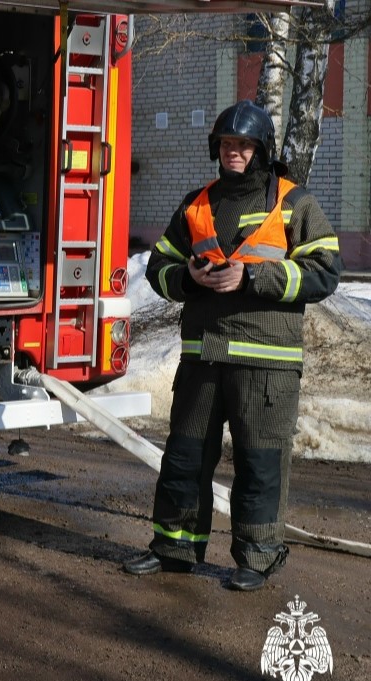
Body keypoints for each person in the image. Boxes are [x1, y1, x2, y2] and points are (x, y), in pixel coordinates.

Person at [123, 100, 343, 591]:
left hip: (267, 362)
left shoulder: (294, 203)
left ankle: (256, 558)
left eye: (243, 145)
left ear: (261, 149)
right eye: (226, 144)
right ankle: (175, 547)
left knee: (259, 461)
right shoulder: (197, 204)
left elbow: (326, 271)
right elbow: (158, 268)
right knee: (184, 456)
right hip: (203, 356)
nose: (234, 153)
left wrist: (253, 276)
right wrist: (188, 276)